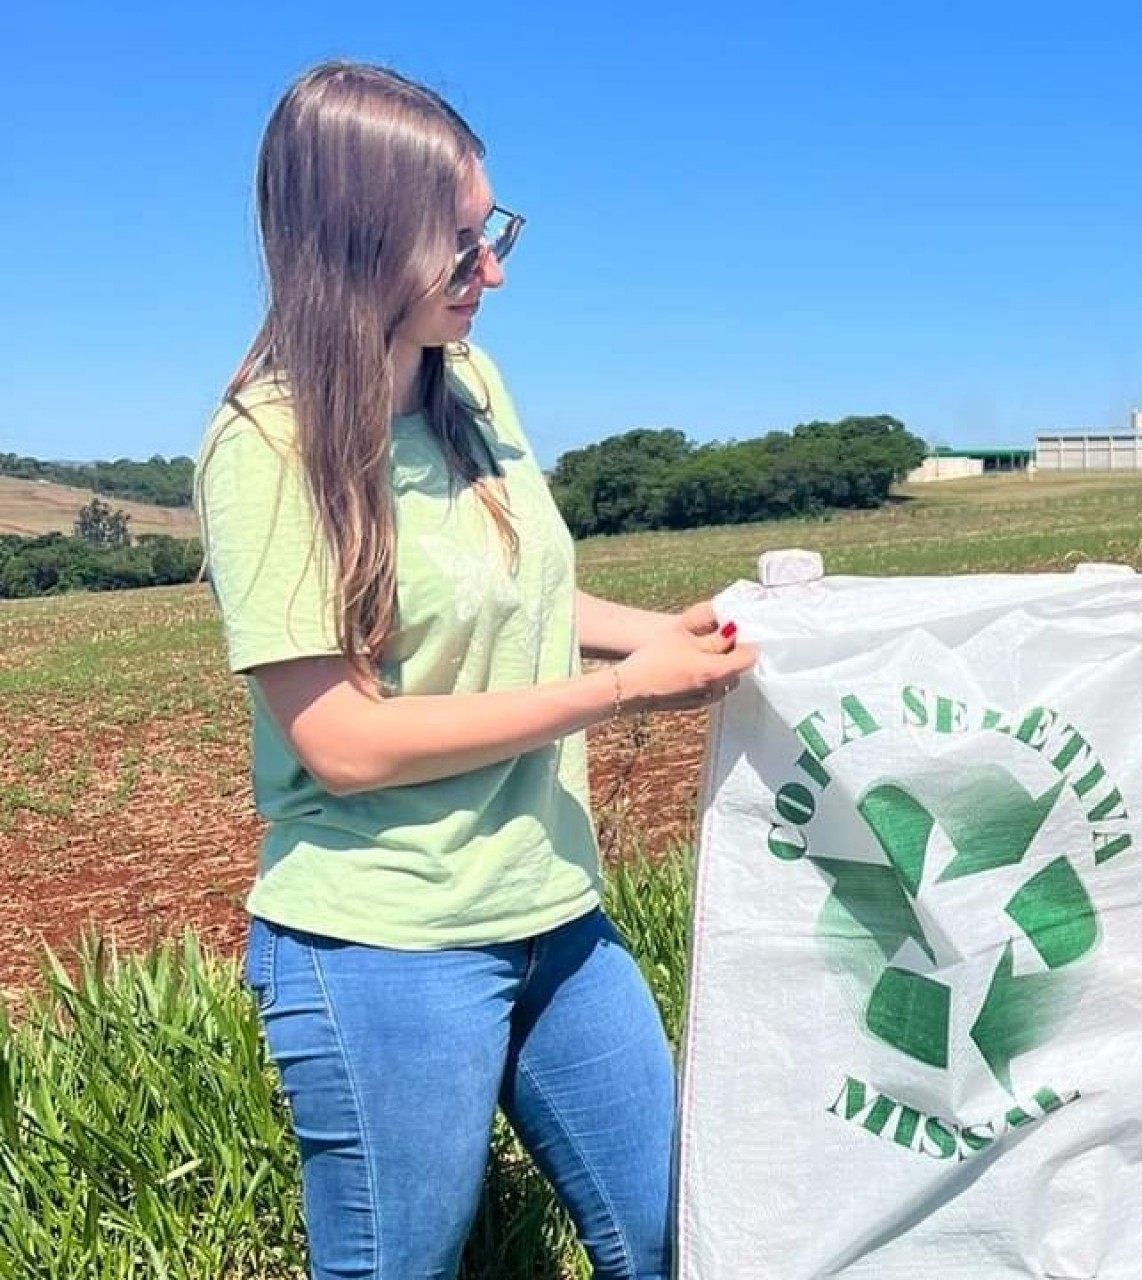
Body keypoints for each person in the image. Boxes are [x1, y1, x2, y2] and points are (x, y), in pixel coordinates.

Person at [195, 62, 756, 1280]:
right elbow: (342, 741)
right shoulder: (266, 448)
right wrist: (621, 690)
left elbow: (533, 597)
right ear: (355, 242)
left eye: (491, 232)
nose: (490, 270)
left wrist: (680, 629)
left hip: (555, 910)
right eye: (458, 245)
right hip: (383, 944)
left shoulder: (473, 387)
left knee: (673, 1233)